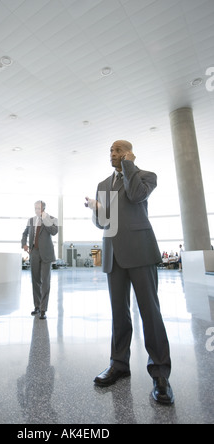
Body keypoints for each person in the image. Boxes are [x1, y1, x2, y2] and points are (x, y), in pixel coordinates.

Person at [85, 140, 174, 405]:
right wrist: (96, 211)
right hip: (113, 253)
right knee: (118, 313)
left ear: (128, 153)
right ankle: (119, 364)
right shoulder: (103, 185)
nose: (111, 154)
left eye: (117, 150)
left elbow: (136, 195)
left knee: (150, 312)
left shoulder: (145, 176)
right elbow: (105, 223)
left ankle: (160, 374)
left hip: (140, 251)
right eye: (110, 150)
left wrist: (128, 165)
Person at [21, 201, 58, 320]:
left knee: (45, 282)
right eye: (35, 208)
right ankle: (37, 306)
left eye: (39, 208)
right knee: (35, 281)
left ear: (44, 209)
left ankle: (43, 309)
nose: (36, 210)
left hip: (46, 254)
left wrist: (45, 218)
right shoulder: (31, 220)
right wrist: (24, 244)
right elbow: (25, 233)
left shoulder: (52, 219)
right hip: (34, 253)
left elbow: (54, 232)